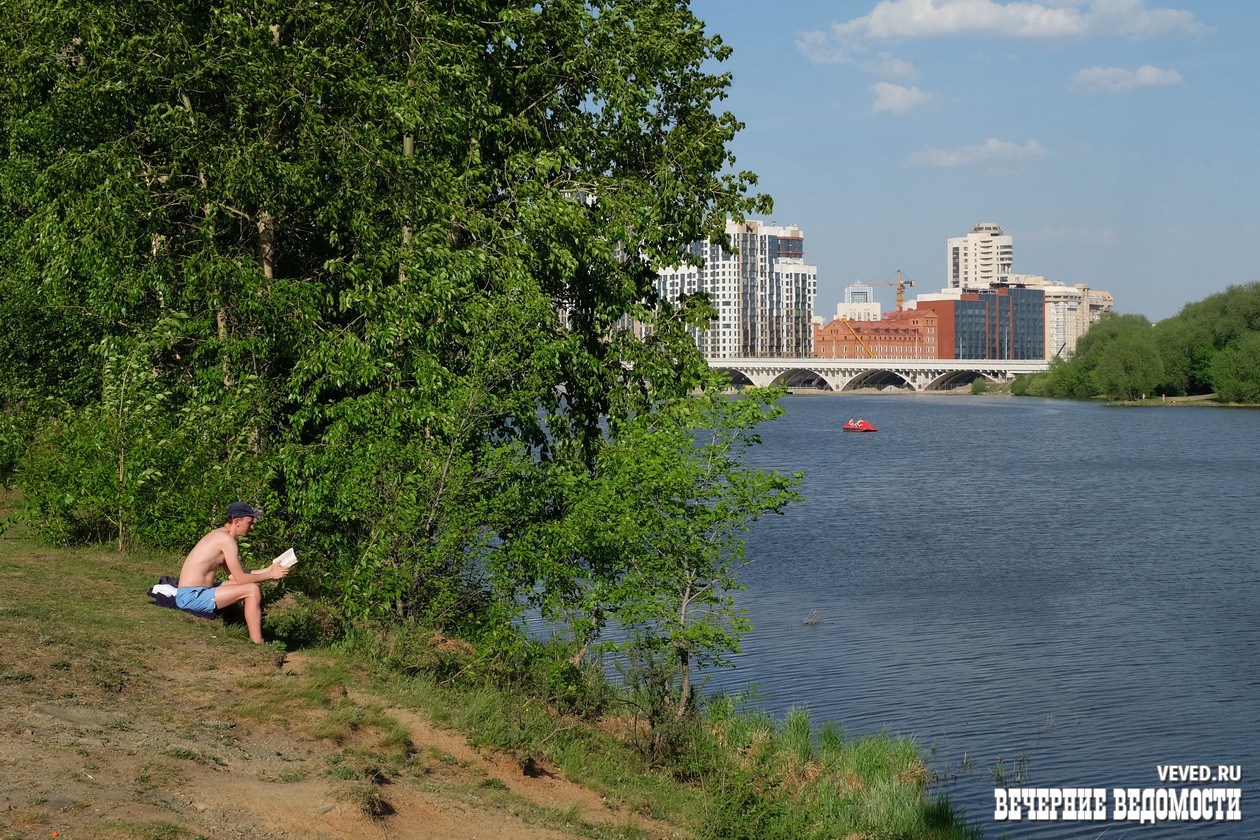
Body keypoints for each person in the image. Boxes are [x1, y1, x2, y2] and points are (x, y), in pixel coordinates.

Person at [176, 502, 289, 644]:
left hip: (195, 592)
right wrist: (271, 575)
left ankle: (254, 636)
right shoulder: (226, 540)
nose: (252, 527)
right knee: (252, 590)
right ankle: (258, 643)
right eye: (249, 522)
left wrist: (268, 569)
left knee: (248, 585)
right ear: (237, 522)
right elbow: (242, 579)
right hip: (191, 596)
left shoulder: (220, 535)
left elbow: (235, 576)